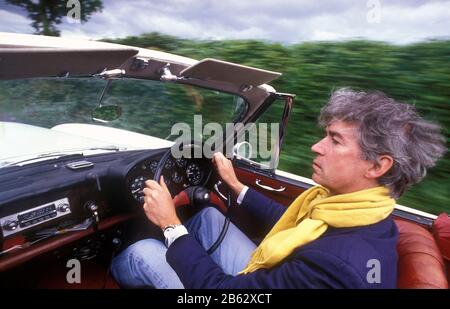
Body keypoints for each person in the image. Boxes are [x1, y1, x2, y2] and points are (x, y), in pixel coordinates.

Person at [111, 88, 446, 288]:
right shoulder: (363, 212)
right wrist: (235, 185)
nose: (316, 147)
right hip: (275, 279)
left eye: (334, 140)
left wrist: (170, 225)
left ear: (377, 166)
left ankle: (110, 273)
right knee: (209, 218)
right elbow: (292, 221)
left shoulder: (335, 265)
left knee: (143, 253)